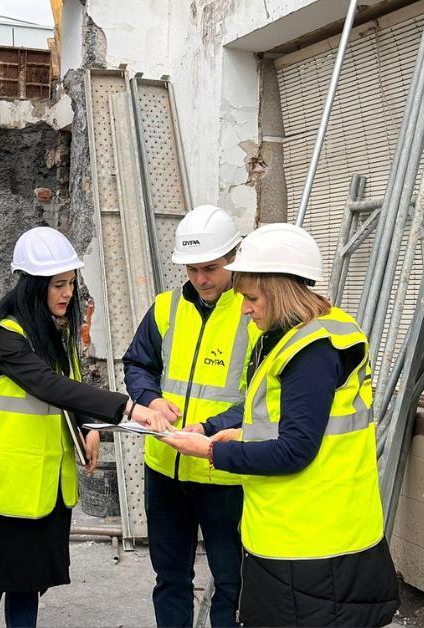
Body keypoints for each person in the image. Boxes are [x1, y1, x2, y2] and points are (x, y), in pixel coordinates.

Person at [161, 223, 400, 627]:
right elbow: (283, 419)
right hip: (300, 538)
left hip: (314, 548)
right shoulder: (291, 336)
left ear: (281, 290)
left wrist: (213, 452)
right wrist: (232, 431)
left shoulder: (312, 351)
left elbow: (295, 449)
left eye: (252, 298)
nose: (245, 309)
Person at [0, 226, 171, 628]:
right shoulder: (3, 338)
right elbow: (49, 385)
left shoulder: (54, 333)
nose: (67, 293)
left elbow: (70, 391)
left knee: (27, 584)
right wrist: (127, 408)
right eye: (57, 285)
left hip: (43, 487)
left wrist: (90, 426)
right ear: (32, 286)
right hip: (0, 488)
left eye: (71, 283)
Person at [122, 204, 253, 627]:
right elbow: (138, 364)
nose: (200, 279)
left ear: (234, 256)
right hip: (165, 468)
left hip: (224, 472)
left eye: (211, 268)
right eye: (192, 269)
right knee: (170, 575)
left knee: (232, 581)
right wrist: (150, 399)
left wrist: (211, 428)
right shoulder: (166, 307)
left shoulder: (254, 313)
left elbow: (263, 396)